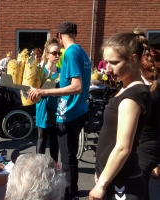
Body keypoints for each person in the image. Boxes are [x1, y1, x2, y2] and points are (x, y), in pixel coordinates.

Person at [29, 21, 91, 199]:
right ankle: (72, 192)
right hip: (78, 109)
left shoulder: (71, 53)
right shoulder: (81, 52)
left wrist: (45, 90)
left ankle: (69, 194)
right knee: (69, 157)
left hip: (70, 111)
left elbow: (76, 86)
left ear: (60, 36)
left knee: (67, 159)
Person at [89, 32, 152, 200]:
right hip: (114, 177)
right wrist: (102, 172)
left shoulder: (133, 95)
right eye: (106, 62)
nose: (108, 68)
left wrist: (102, 183)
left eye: (114, 62)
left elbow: (123, 147)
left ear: (133, 59)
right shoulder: (125, 89)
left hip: (124, 182)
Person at [134, 30, 160, 200]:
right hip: (152, 144)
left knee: (139, 188)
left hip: (145, 146)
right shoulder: (152, 88)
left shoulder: (143, 93)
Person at [35, 39, 60, 163]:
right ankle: (39, 166)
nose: (57, 56)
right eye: (54, 53)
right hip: (43, 109)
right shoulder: (40, 72)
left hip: (57, 109)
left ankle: (54, 166)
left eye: (59, 53)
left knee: (55, 141)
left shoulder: (61, 72)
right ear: (47, 55)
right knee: (42, 139)